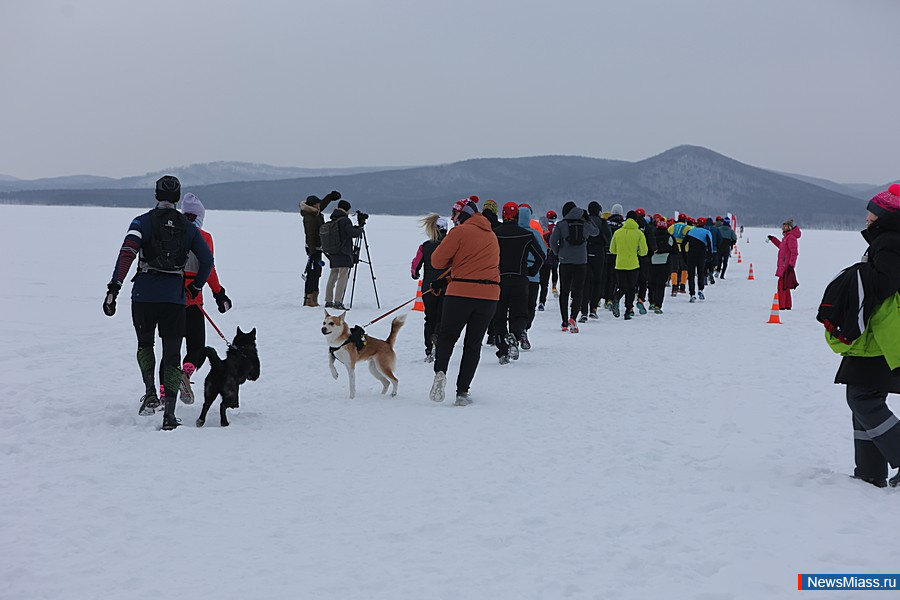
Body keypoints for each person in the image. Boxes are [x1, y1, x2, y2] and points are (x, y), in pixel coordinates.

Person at [102, 176, 213, 430]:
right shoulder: (189, 227)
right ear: (177, 198)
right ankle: (170, 415)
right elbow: (207, 262)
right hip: (174, 299)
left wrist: (114, 288)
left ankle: (151, 392)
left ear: (156, 195)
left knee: (145, 345)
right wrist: (195, 288)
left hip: (143, 296)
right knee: (172, 355)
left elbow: (127, 253)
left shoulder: (142, 222)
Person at [833, 184, 900, 488]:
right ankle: (870, 472)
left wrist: (856, 277)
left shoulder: (888, 241)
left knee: (863, 397)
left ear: (884, 214)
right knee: (861, 393)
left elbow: (885, 284)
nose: (867, 215)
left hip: (882, 332)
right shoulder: (886, 239)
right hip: (878, 331)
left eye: (871, 211)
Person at [429, 199, 500, 406]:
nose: (452, 219)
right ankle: (462, 391)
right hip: (488, 296)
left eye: (454, 214)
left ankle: (441, 371)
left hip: (460, 293)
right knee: (473, 344)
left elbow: (437, 261)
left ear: (462, 214)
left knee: (448, 336)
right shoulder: (492, 235)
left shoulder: (459, 233)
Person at [179, 193, 232, 404]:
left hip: (170, 300)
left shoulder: (172, 234)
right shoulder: (204, 237)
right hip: (193, 300)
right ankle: (185, 374)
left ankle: (165, 393)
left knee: (170, 349)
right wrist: (219, 294)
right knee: (197, 347)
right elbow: (208, 269)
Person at [492, 202, 544, 363]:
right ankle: (514, 335)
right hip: (520, 280)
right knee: (520, 314)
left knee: (498, 317)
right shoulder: (527, 235)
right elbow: (541, 257)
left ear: (503, 214)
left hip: (499, 280)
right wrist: (531, 271)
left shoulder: (495, 234)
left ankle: (502, 350)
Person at [549, 202, 599, 332]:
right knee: (578, 291)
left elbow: (552, 241)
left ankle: (564, 321)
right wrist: (588, 219)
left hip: (565, 262)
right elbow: (596, 232)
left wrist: (558, 252)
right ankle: (573, 318)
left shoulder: (561, 225)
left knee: (564, 291)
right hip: (581, 261)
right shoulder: (585, 224)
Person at [411, 214, 449, 362]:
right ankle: (438, 341)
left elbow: (415, 266)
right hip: (447, 287)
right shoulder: (451, 246)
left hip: (428, 288)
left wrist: (415, 274)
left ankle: (428, 349)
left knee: (430, 318)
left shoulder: (425, 246)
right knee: (442, 318)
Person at [299, 190, 341, 307]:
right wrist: (312, 252)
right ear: (312, 206)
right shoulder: (309, 217)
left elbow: (322, 204)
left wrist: (330, 197)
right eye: (317, 204)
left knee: (317, 272)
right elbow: (310, 235)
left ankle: (313, 298)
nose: (319, 206)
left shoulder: (314, 212)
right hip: (313, 248)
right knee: (313, 273)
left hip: (318, 247)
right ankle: (308, 299)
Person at [322, 199, 364, 310]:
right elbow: (352, 233)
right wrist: (360, 228)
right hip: (344, 252)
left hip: (333, 252)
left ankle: (328, 300)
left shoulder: (334, 219)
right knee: (342, 277)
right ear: (347, 209)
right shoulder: (345, 220)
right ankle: (338, 301)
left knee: (333, 276)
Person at [517, 203, 547, 348]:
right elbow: (543, 253)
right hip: (533, 276)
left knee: (514, 305)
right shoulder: (535, 233)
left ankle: (513, 330)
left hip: (515, 275)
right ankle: (524, 329)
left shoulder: (513, 232)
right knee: (530, 305)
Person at [608, 210, 648, 320]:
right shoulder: (639, 233)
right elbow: (644, 252)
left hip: (619, 264)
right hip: (633, 264)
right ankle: (628, 310)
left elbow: (612, 249)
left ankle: (616, 298)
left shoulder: (618, 232)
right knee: (631, 288)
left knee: (622, 286)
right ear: (635, 220)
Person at [582, 201, 611, 320]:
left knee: (585, 282)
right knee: (597, 281)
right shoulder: (602, 222)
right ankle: (593, 308)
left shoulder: (584, 221)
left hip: (585, 251)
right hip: (599, 252)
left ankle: (583, 310)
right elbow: (608, 238)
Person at [767, 219, 801, 310]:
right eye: (783, 226)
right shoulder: (786, 238)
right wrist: (773, 239)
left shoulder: (791, 238)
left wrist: (791, 265)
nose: (783, 227)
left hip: (786, 266)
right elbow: (781, 246)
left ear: (789, 227)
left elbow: (794, 252)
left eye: (785, 226)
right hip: (783, 264)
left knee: (781, 285)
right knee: (785, 285)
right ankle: (787, 305)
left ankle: (782, 305)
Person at [682, 220, 715, 303]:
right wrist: (710, 256)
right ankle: (700, 290)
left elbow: (683, 244)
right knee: (701, 273)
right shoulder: (707, 232)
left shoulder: (690, 231)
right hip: (701, 256)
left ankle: (692, 294)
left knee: (691, 275)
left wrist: (684, 255)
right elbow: (709, 244)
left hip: (691, 255)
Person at [648, 218, 675, 314]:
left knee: (652, 283)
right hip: (665, 262)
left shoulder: (652, 236)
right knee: (661, 285)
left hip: (653, 262)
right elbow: (674, 249)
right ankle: (658, 305)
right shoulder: (669, 237)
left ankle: (651, 301)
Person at [539, 210, 559, 309]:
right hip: (551, 255)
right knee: (554, 271)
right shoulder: (555, 228)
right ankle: (554, 287)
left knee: (541, 280)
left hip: (540, 257)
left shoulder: (539, 230)